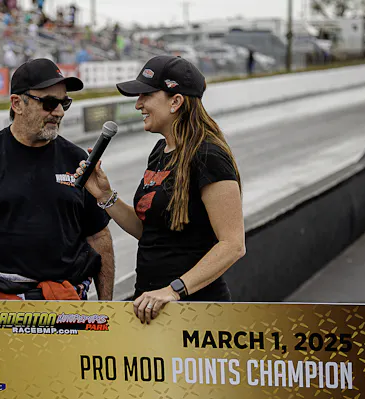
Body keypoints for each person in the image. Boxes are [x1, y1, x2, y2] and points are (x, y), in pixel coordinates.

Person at [0, 58, 115, 325]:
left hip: (65, 305)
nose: (59, 113)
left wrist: (107, 307)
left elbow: (99, 237)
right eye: (49, 103)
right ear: (17, 104)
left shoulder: (77, 160)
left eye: (64, 103)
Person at [75, 55, 245, 324]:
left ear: (175, 102)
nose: (138, 104)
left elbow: (233, 245)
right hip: (152, 306)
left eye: (146, 95)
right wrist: (105, 196)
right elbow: (151, 233)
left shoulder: (209, 155)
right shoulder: (160, 151)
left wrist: (173, 290)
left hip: (196, 312)